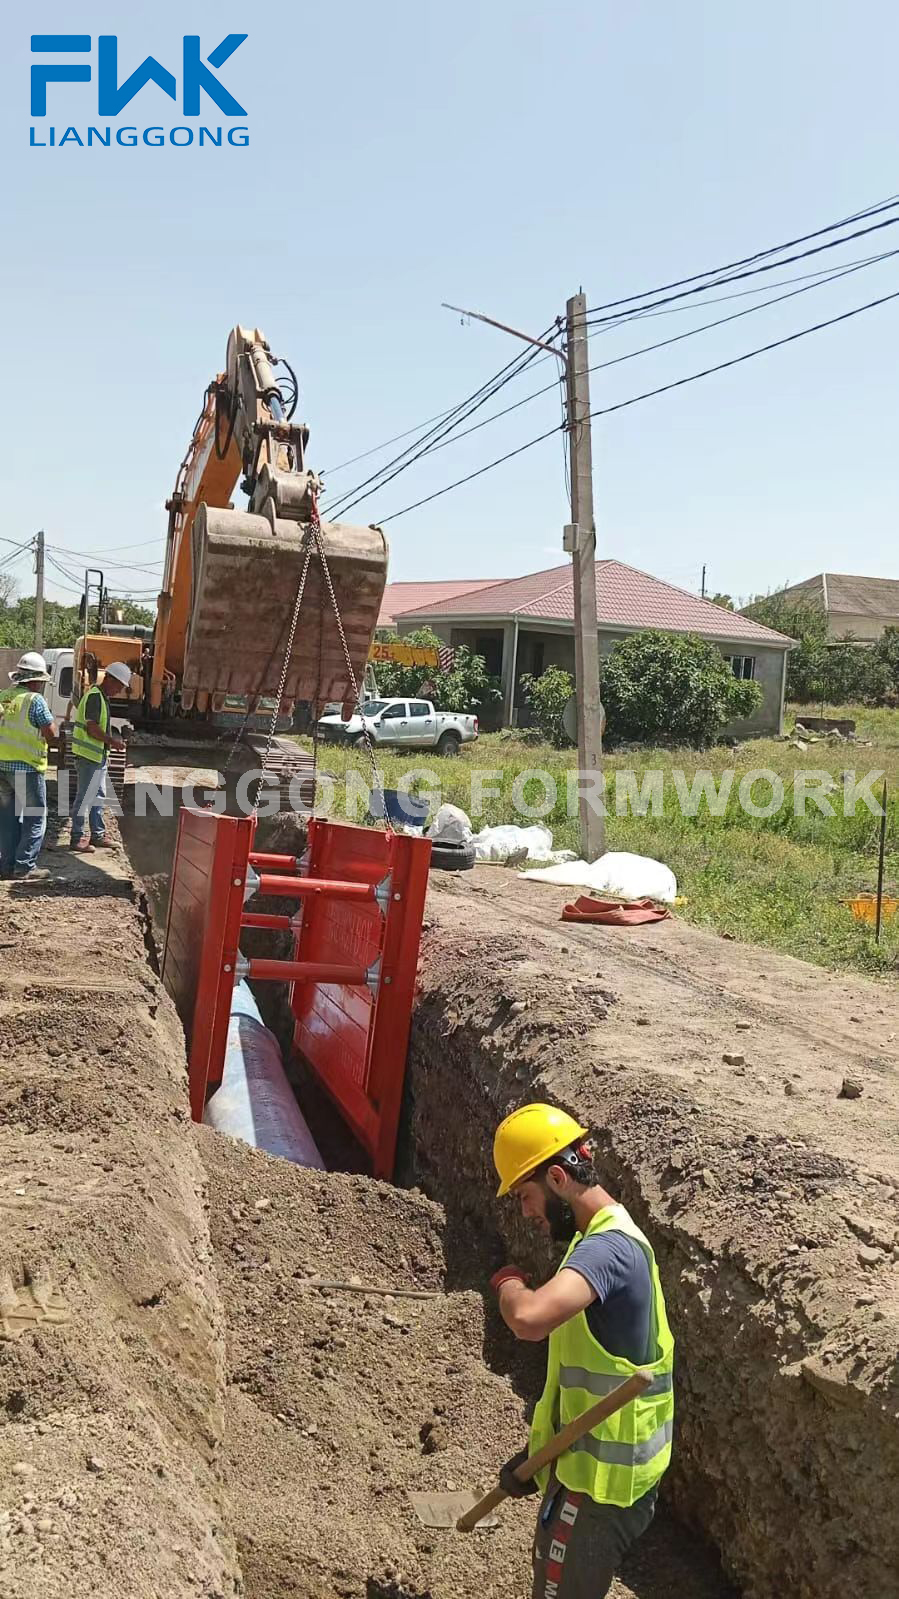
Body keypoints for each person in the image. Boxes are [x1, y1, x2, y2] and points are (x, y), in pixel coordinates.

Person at [490, 1103, 674, 1599]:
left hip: (601, 1492)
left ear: (556, 1177)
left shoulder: (607, 1250)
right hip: (585, 1470)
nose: (526, 1212)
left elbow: (528, 1320)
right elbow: (589, 1377)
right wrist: (538, 1458)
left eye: (525, 1195)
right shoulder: (594, 1240)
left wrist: (508, 1283)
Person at [0, 653, 58, 880]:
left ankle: (6, 865)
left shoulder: (3, 696)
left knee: (7, 817)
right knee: (35, 816)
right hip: (26, 768)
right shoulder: (35, 700)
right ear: (35, 681)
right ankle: (24, 866)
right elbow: (51, 733)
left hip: (1, 767)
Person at [69, 660, 131, 853]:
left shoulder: (102, 698)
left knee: (98, 797)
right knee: (85, 797)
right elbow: (92, 728)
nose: (119, 690)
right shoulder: (95, 697)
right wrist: (113, 742)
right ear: (109, 679)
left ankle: (97, 835)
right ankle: (77, 837)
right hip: (88, 758)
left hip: (97, 757)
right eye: (119, 685)